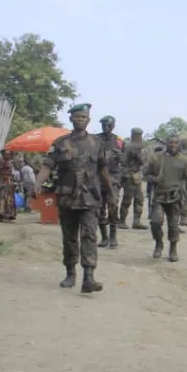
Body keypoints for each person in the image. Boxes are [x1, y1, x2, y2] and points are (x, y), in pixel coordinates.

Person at [34, 103, 112, 293]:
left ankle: (88, 277)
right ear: (71, 119)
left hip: (90, 198)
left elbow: (102, 169)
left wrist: (110, 190)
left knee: (89, 236)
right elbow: (47, 166)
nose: (80, 120)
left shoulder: (97, 144)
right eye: (77, 117)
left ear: (88, 120)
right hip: (67, 198)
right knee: (69, 238)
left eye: (83, 117)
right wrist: (37, 183)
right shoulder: (60, 144)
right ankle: (70, 273)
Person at [144, 135, 187, 262]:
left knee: (173, 226)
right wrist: (154, 179)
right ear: (166, 143)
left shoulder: (184, 160)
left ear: (179, 144)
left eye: (176, 143)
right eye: (171, 143)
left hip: (175, 196)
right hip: (159, 196)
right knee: (155, 222)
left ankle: (173, 248)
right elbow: (146, 175)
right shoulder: (156, 158)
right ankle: (159, 243)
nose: (174, 145)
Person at [94, 116, 124, 249]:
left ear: (113, 126)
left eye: (109, 125)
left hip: (113, 177)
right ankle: (104, 237)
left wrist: (120, 158)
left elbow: (126, 161)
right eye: (104, 125)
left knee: (113, 206)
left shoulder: (119, 141)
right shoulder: (95, 139)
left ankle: (113, 236)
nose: (106, 128)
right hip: (98, 177)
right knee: (99, 209)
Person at [118, 128, 148, 230]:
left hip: (133, 175)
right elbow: (141, 160)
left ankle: (136, 221)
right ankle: (122, 221)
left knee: (138, 198)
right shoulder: (133, 146)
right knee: (128, 199)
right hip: (130, 175)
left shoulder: (129, 145)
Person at [0, 150, 17, 222]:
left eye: (9, 154)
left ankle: (8, 215)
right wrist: (3, 175)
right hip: (4, 183)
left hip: (9, 183)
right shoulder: (2, 162)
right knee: (3, 199)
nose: (8, 156)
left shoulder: (10, 162)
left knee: (9, 199)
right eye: (6, 154)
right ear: (3, 155)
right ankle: (3, 216)